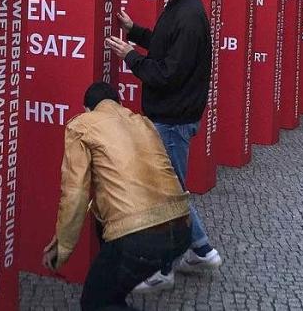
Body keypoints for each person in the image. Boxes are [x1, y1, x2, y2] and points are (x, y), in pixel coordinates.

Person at [105, 0, 222, 294]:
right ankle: (200, 250)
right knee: (168, 192)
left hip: (172, 119)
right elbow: (164, 45)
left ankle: (167, 267)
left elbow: (168, 73)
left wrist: (130, 58)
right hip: (170, 115)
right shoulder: (178, 5)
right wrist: (135, 32)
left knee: (167, 196)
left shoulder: (189, 15)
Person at [42, 82, 191, 311]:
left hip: (138, 237)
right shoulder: (143, 122)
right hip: (181, 228)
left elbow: (75, 194)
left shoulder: (82, 125)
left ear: (87, 109)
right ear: (118, 104)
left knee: (96, 303)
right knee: (112, 288)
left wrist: (63, 247)